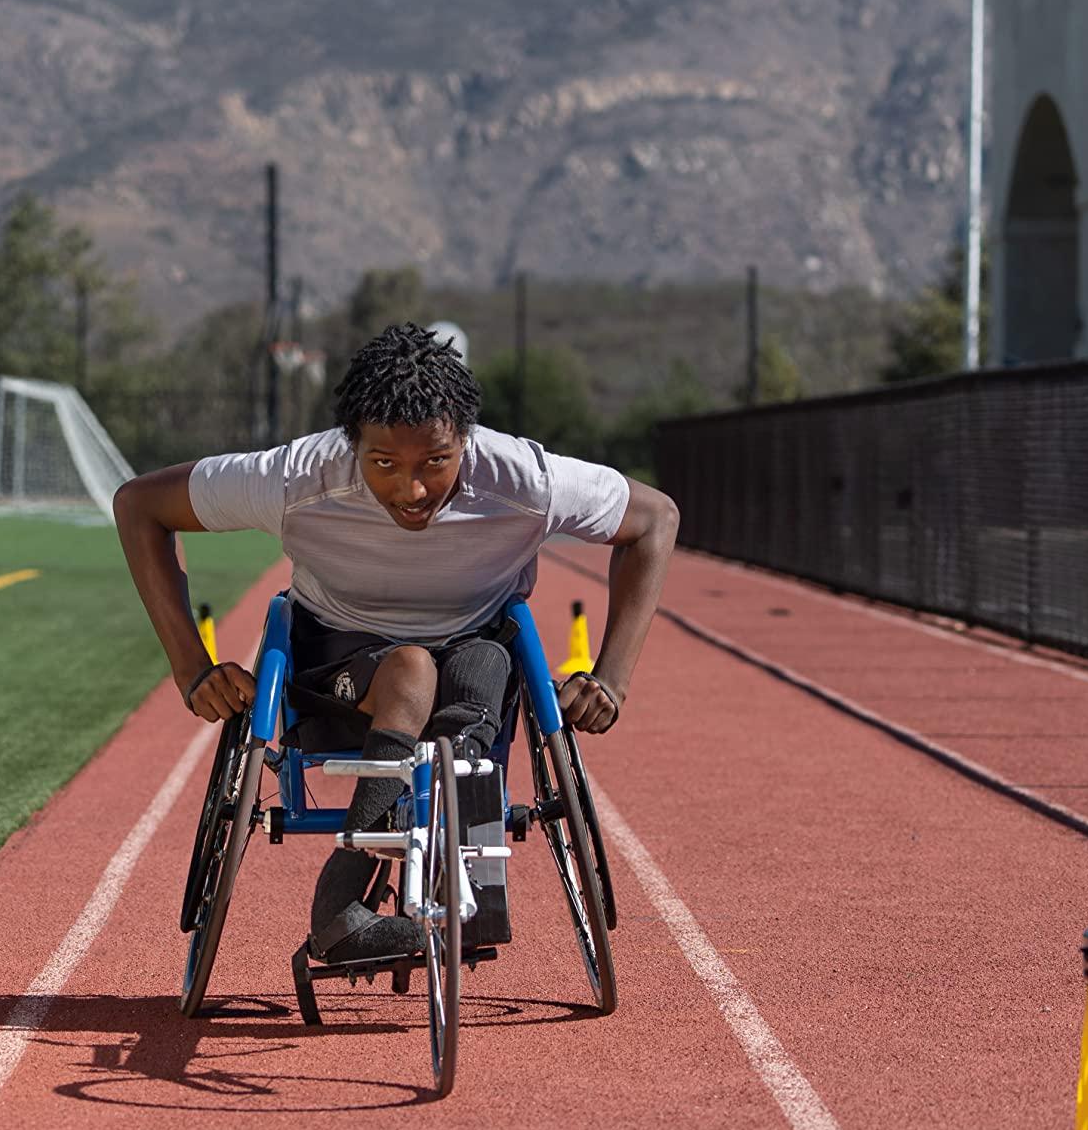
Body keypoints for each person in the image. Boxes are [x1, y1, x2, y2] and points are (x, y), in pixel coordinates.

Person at [114, 322, 680, 964]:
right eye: (383, 464)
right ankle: (339, 908)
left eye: (436, 462)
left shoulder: (525, 479)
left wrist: (611, 679)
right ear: (350, 443)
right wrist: (193, 668)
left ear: (466, 439)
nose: (412, 491)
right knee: (411, 670)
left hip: (474, 663)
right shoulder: (295, 478)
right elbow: (140, 506)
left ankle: (461, 844)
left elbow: (654, 520)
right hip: (337, 670)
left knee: (483, 659)